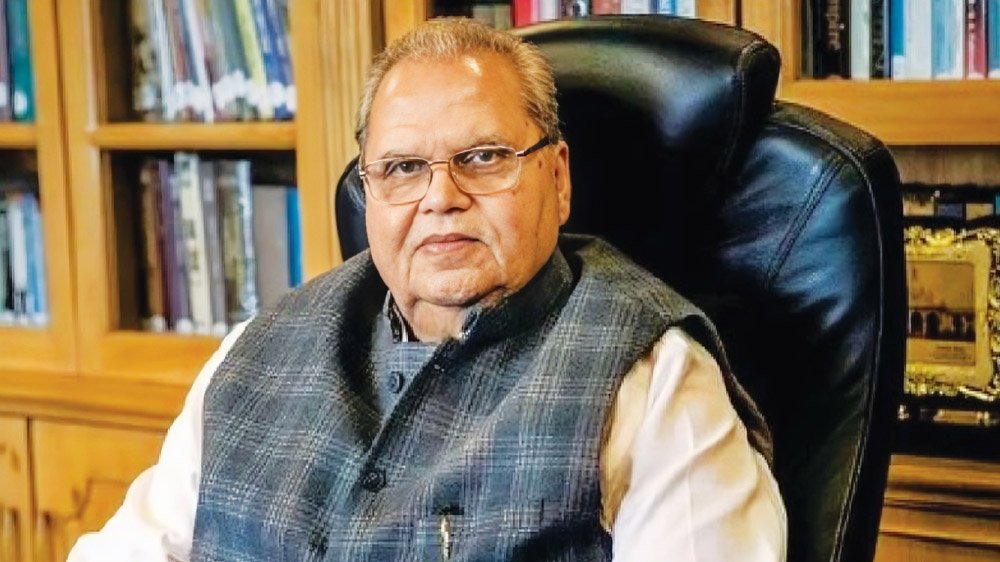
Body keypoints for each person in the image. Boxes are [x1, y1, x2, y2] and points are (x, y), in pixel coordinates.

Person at [69, 19, 786, 562]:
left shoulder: (654, 382)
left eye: (483, 157)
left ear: (558, 177)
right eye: (404, 168)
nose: (441, 197)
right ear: (369, 192)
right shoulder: (251, 357)